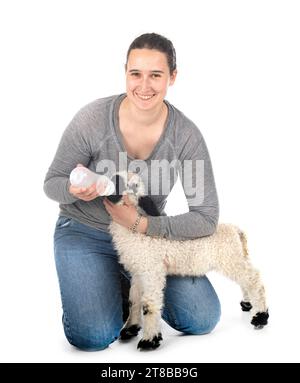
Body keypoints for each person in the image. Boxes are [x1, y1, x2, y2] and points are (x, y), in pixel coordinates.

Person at [44, 33, 221, 351]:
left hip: (147, 239)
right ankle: (107, 281)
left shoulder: (185, 136)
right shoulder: (92, 119)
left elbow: (206, 217)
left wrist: (143, 226)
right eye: (135, 73)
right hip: (86, 232)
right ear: (125, 71)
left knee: (202, 316)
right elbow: (52, 183)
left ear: (173, 77)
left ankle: (126, 279)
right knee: (93, 336)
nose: (144, 86)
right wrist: (73, 189)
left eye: (156, 75)